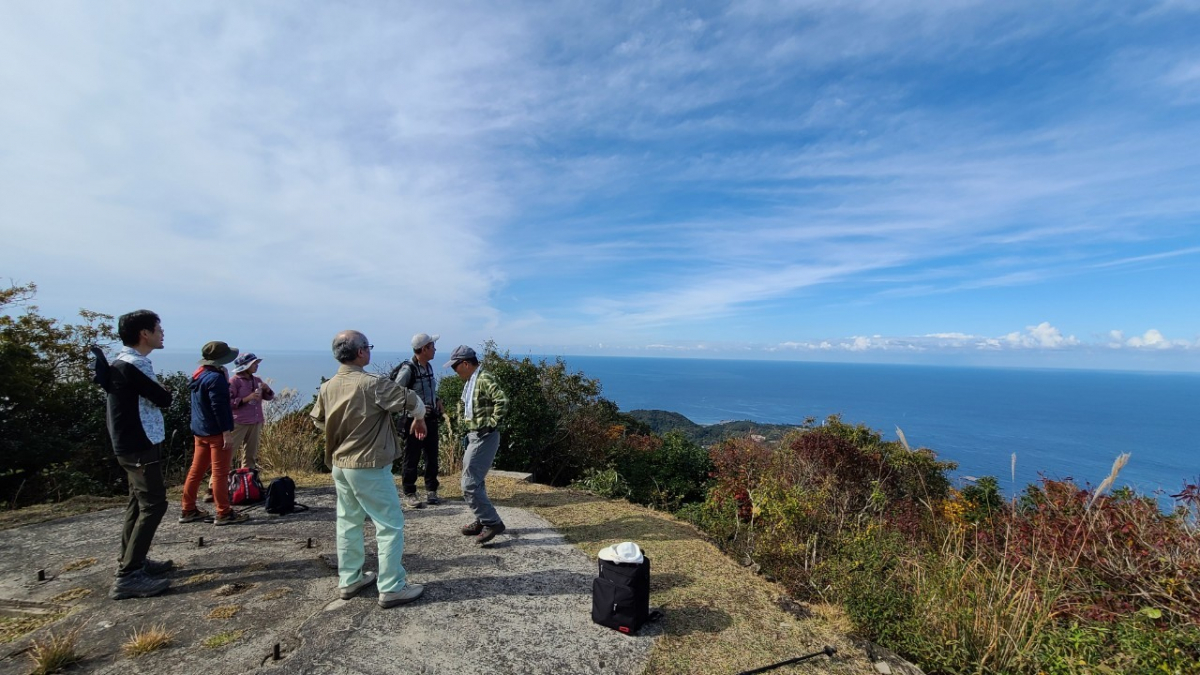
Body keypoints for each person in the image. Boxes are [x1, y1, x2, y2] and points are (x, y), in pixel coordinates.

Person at [311, 330, 427, 608]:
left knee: (348, 522)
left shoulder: (328, 386)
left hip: (340, 464)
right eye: (368, 347)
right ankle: (391, 586)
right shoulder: (372, 384)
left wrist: (344, 432)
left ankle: (350, 579)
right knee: (389, 525)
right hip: (369, 465)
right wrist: (419, 418)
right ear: (361, 352)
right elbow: (412, 401)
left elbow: (318, 421)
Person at [102, 310, 174, 600]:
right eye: (158, 328)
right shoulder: (134, 365)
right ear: (144, 333)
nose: (162, 333)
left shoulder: (123, 363)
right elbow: (163, 398)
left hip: (131, 444)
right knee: (154, 504)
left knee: (138, 501)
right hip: (140, 444)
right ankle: (129, 575)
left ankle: (132, 560)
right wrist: (163, 391)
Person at [180, 341, 250, 526]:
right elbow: (218, 407)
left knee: (196, 471)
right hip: (216, 432)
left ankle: (188, 509)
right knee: (220, 473)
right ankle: (223, 512)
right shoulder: (216, 379)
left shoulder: (199, 375)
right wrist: (226, 432)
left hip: (200, 430)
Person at [445, 345, 509, 544]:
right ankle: (482, 518)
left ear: (465, 363)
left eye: (456, 367)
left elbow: (503, 400)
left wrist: (490, 425)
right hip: (475, 435)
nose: (455, 372)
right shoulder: (474, 380)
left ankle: (492, 522)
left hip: (484, 436)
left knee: (470, 483)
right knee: (475, 480)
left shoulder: (483, 379)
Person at [392, 333, 443, 508]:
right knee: (412, 456)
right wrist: (414, 413)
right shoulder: (409, 370)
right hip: (413, 420)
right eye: (432, 346)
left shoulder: (427, 367)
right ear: (424, 349)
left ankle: (431, 490)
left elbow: (429, 389)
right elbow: (396, 393)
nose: (435, 349)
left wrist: (437, 400)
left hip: (430, 418)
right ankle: (410, 492)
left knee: (431, 455)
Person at [228, 352, 275, 469]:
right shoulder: (234, 381)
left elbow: (269, 397)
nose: (256, 366)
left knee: (251, 455)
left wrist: (267, 389)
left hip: (255, 421)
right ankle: (217, 484)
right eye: (254, 364)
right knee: (228, 454)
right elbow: (228, 402)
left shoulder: (256, 380)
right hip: (239, 422)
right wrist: (246, 399)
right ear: (246, 366)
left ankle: (248, 482)